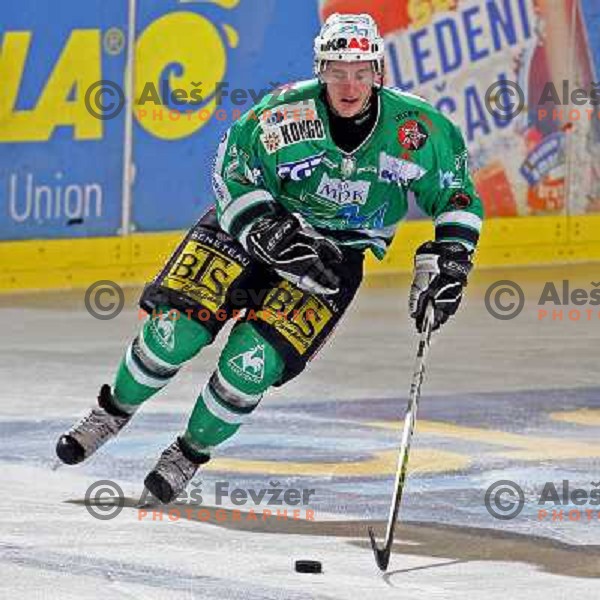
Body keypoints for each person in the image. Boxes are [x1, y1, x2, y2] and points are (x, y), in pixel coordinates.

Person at [55, 13, 483, 503]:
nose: (350, 83)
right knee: (174, 333)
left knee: (250, 367)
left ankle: (188, 453)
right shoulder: (283, 114)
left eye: (361, 71)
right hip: (251, 229)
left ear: (378, 72)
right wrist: (262, 228)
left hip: (333, 257)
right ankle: (111, 412)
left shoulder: (419, 128)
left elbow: (456, 195)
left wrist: (452, 260)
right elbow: (230, 167)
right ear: (321, 69)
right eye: (338, 70)